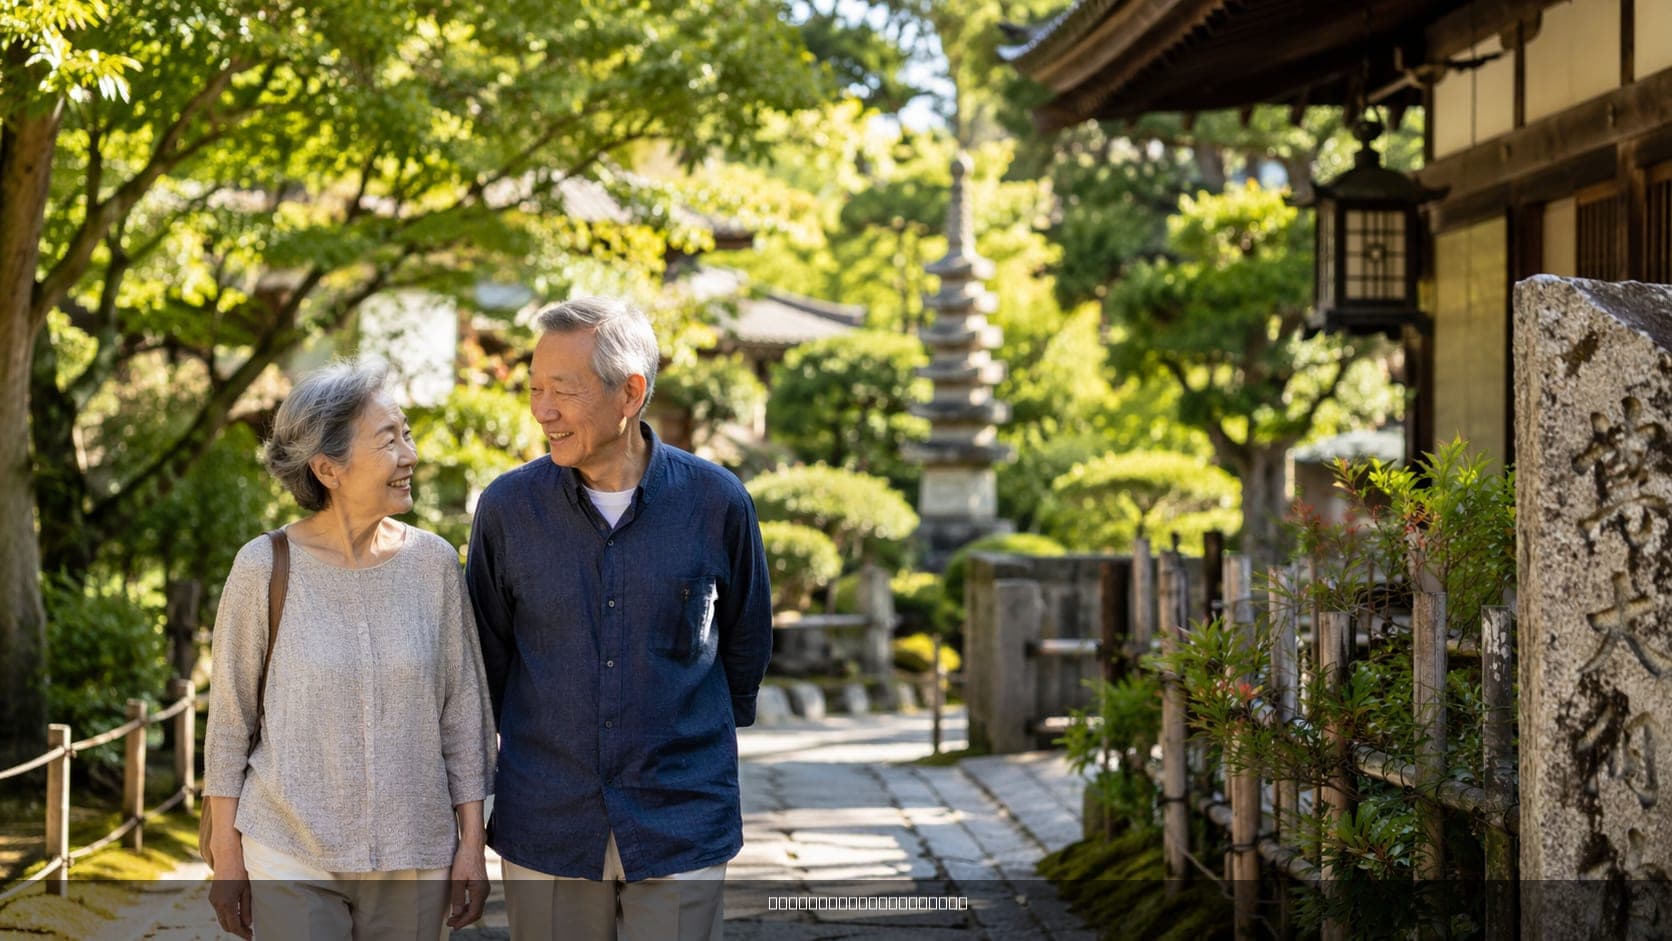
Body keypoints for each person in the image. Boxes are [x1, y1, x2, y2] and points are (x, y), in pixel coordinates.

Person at [466, 296, 773, 941]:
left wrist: (694, 741)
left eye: (564, 391)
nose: (542, 410)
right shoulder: (506, 510)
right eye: (535, 389)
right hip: (547, 818)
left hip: (680, 815)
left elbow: (746, 642)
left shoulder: (717, 501)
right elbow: (483, 665)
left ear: (629, 393)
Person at [203, 357, 496, 940]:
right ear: (328, 468)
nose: (410, 455)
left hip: (416, 852)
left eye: (407, 433)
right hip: (290, 848)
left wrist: (472, 846)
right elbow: (230, 722)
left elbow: (465, 714)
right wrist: (227, 855)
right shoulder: (263, 567)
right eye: (389, 440)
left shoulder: (434, 563)